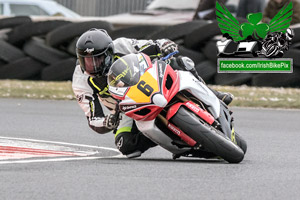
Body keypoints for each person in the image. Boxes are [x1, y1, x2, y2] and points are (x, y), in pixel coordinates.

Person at [72, 28, 233, 158]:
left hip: (150, 80)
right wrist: (108, 122)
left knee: (179, 62)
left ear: (109, 52)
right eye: (87, 61)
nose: (93, 65)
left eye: (98, 59)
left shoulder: (121, 45)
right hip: (126, 108)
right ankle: (180, 145)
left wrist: (165, 45)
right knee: (125, 145)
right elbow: (93, 119)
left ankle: (213, 93)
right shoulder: (80, 80)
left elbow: (153, 44)